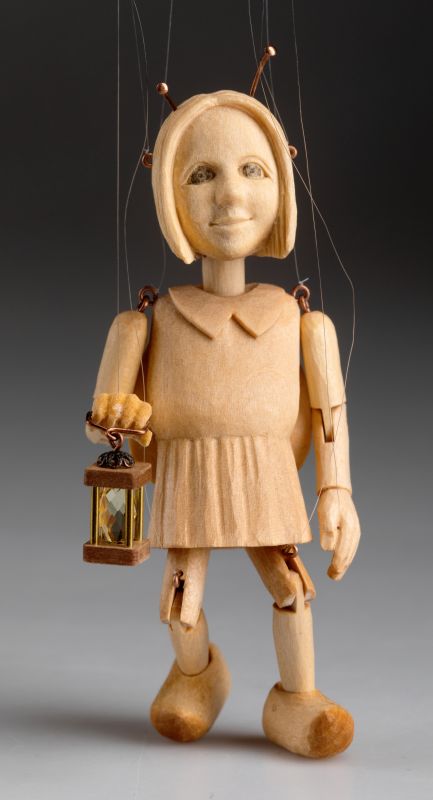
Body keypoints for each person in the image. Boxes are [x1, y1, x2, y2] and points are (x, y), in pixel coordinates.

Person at [87, 90, 361, 758]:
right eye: (201, 174)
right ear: (167, 195)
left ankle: (297, 695)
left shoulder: (301, 323)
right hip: (187, 475)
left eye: (252, 170)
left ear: (282, 186)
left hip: (266, 475)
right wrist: (114, 418)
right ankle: (196, 676)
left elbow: (328, 417)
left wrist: (336, 492)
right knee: (180, 602)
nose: (230, 195)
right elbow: (103, 423)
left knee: (292, 590)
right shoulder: (146, 323)